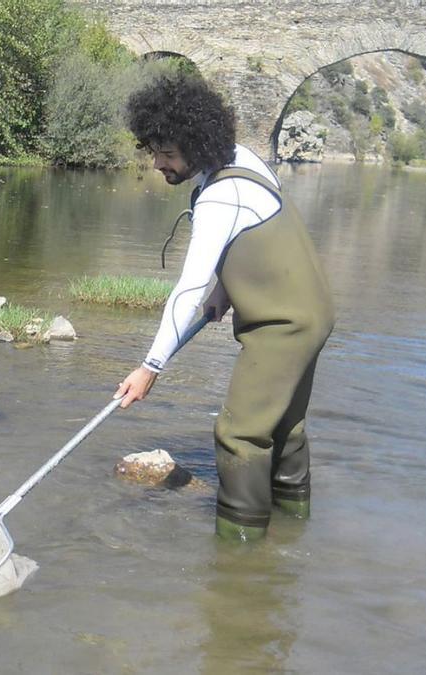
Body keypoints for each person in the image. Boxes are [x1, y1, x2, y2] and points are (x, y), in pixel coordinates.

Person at [113, 72, 335, 541]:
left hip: (283, 327)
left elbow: (187, 288)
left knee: (239, 435)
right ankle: (294, 529)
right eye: (154, 151)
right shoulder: (243, 160)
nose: (158, 163)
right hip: (313, 314)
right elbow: (257, 233)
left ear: (197, 144)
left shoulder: (218, 197)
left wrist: (149, 366)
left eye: (168, 154)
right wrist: (228, 289)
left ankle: (241, 551)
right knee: (283, 427)